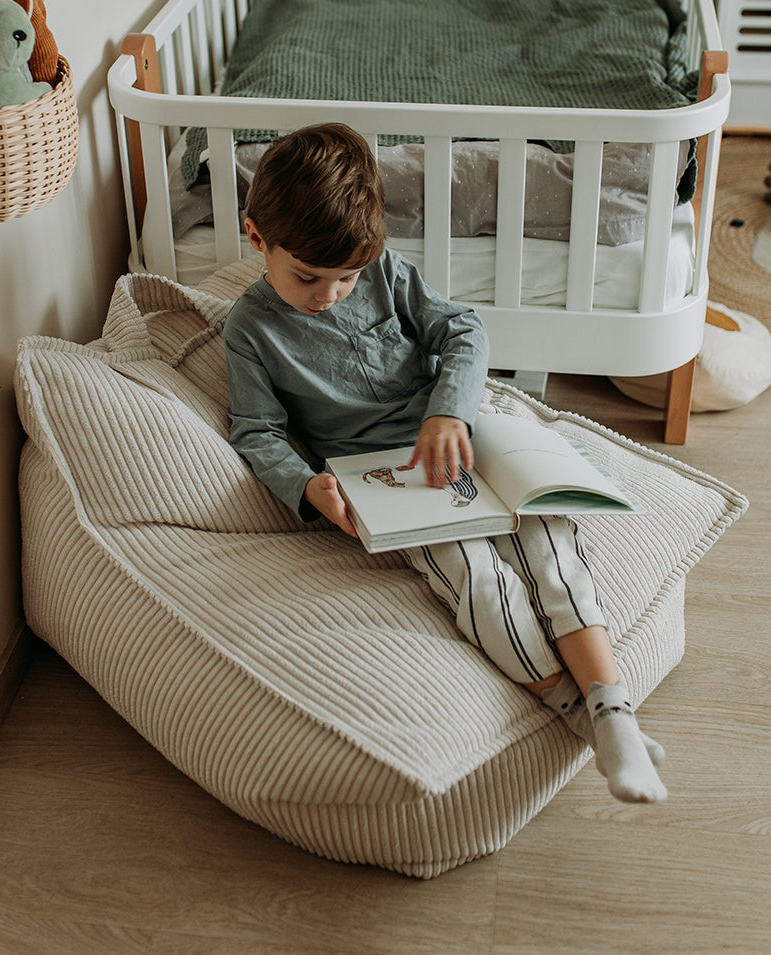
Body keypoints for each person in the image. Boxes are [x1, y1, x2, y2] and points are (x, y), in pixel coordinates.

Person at [224, 123, 667, 804]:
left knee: (547, 537)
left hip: (462, 427)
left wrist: (448, 410)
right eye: (308, 276)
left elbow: (461, 328)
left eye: (344, 278)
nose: (329, 294)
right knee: (478, 579)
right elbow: (256, 430)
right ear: (258, 238)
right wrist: (306, 484)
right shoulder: (250, 330)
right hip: (391, 475)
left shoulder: (383, 273)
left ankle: (612, 704)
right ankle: (583, 719)